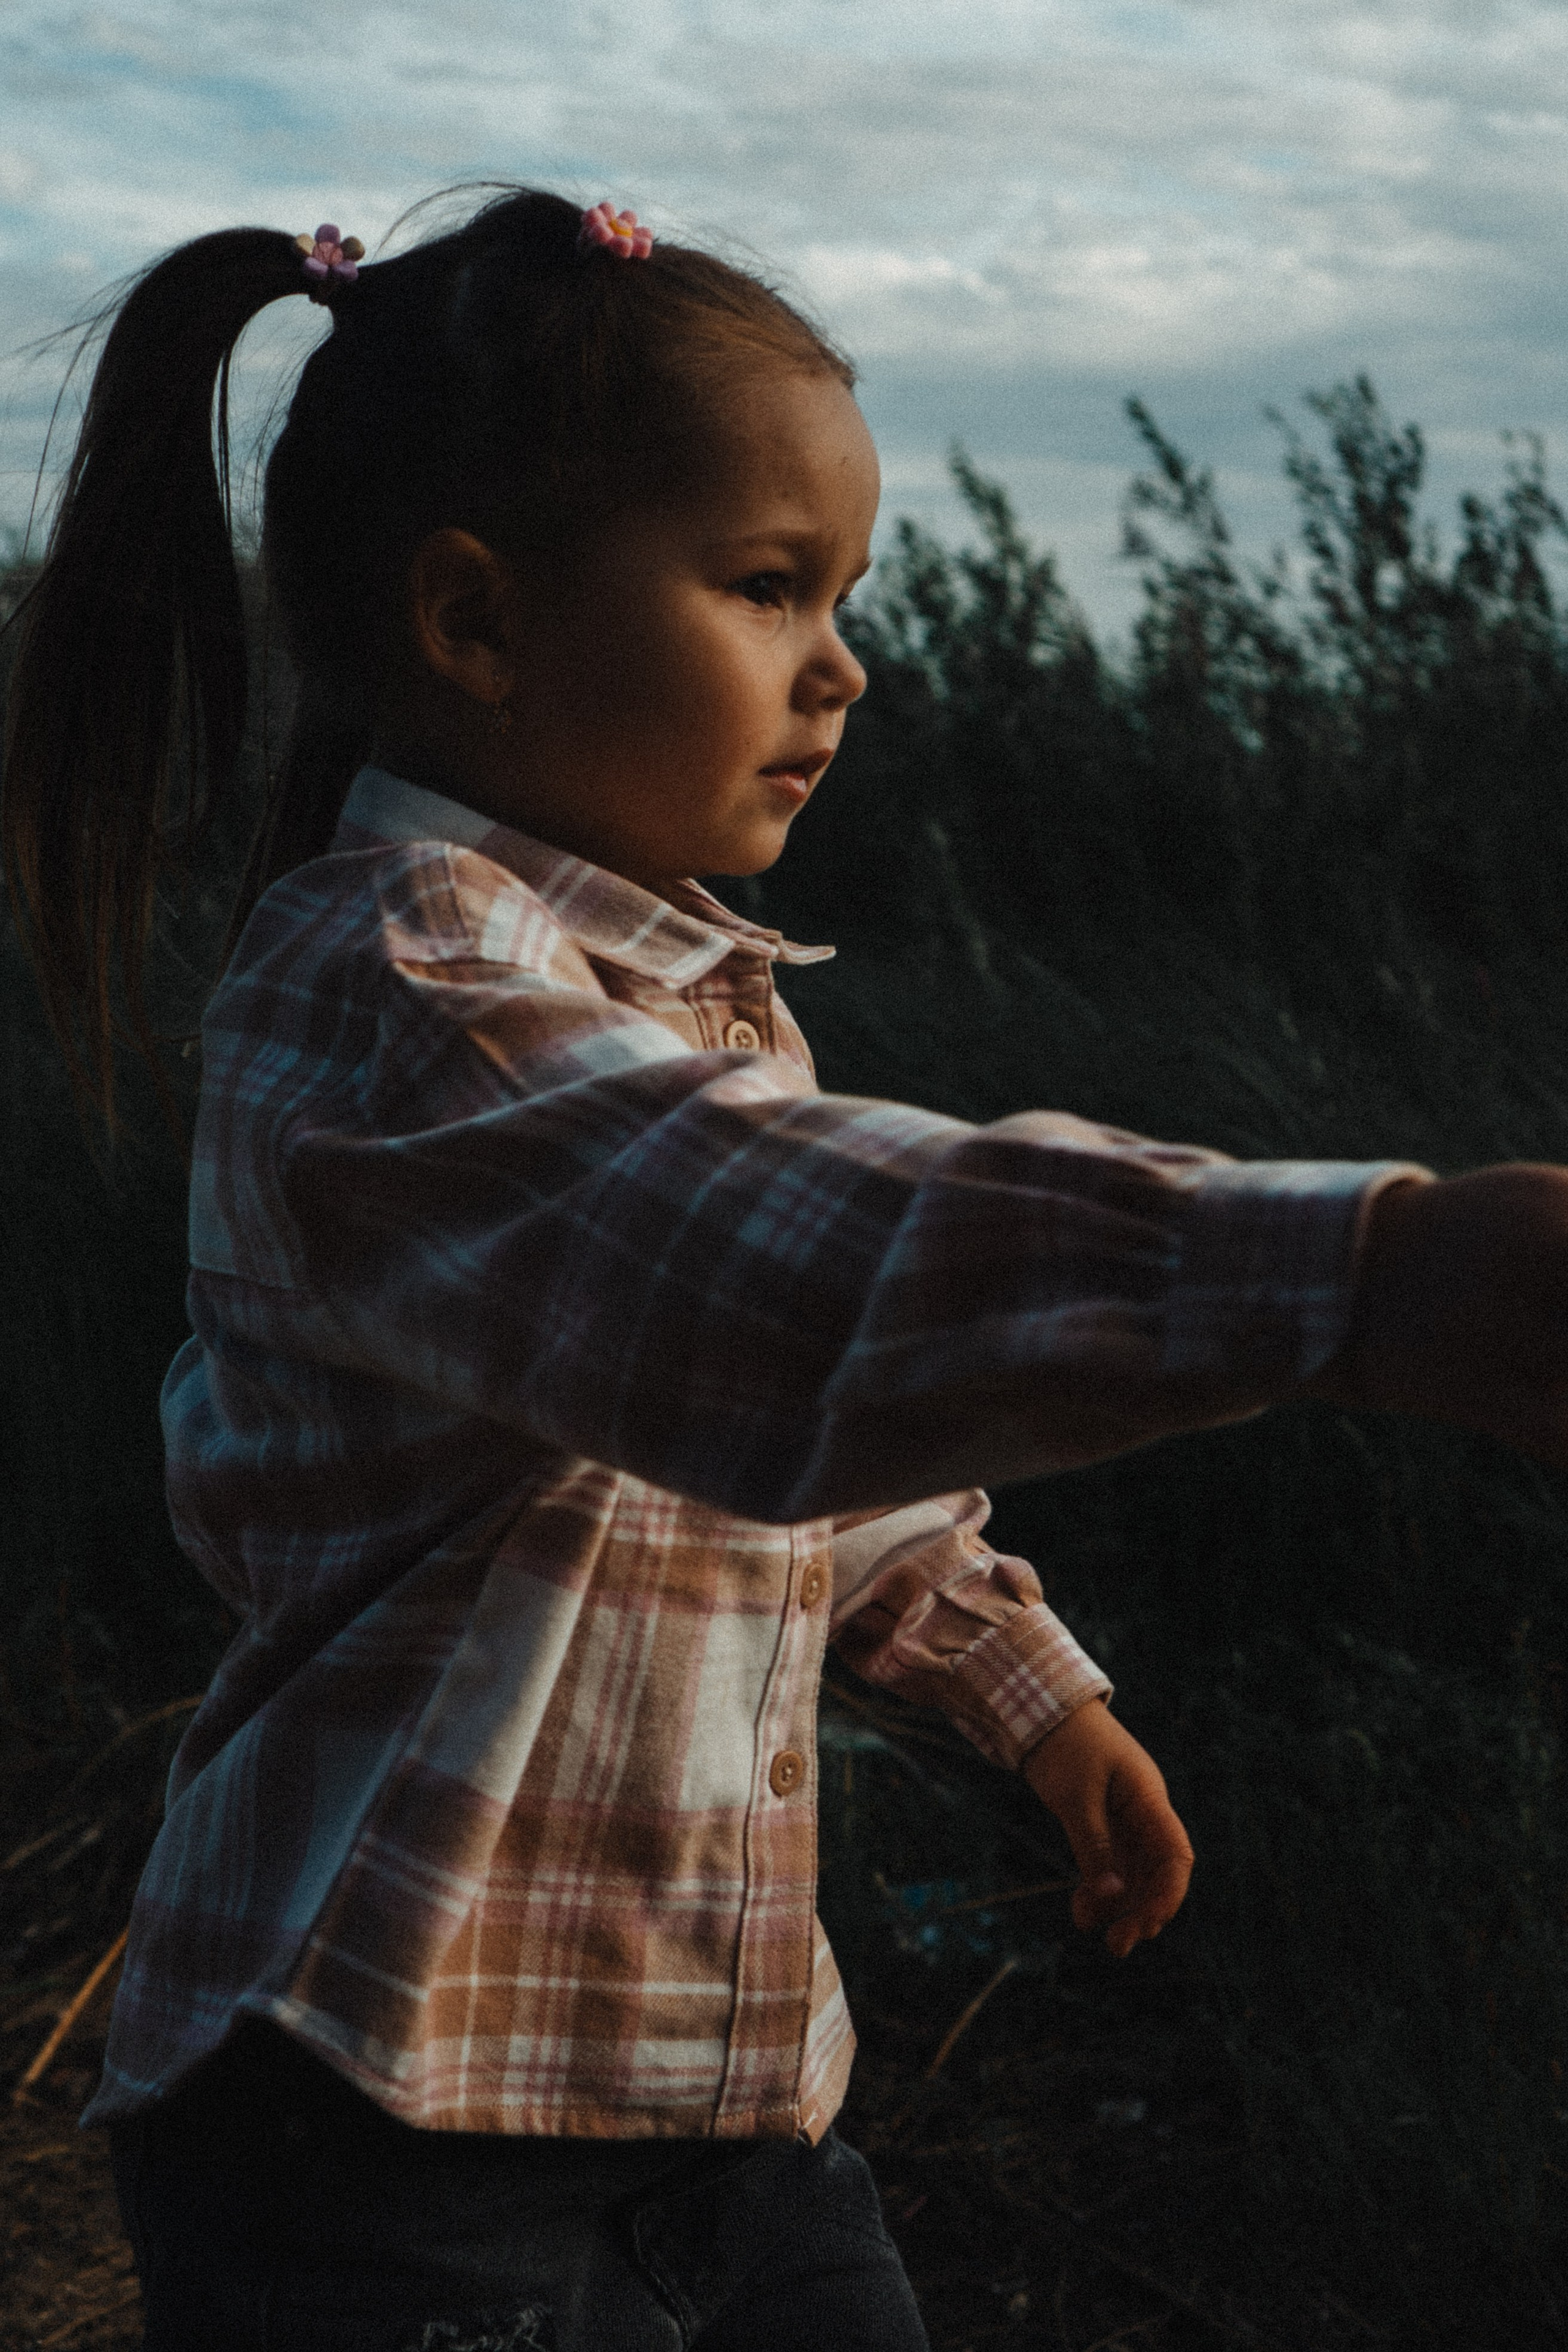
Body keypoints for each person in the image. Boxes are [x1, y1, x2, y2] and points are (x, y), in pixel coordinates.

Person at [4, 189, 1568, 2352]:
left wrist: (1032, 1694)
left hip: (716, 2089)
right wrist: (1365, 1272)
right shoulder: (400, 1002)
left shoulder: (695, 1006)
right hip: (382, 2111)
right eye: (767, 587)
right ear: (474, 621)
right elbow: (785, 1300)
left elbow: (819, 1462)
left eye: (845, 593)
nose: (845, 663)